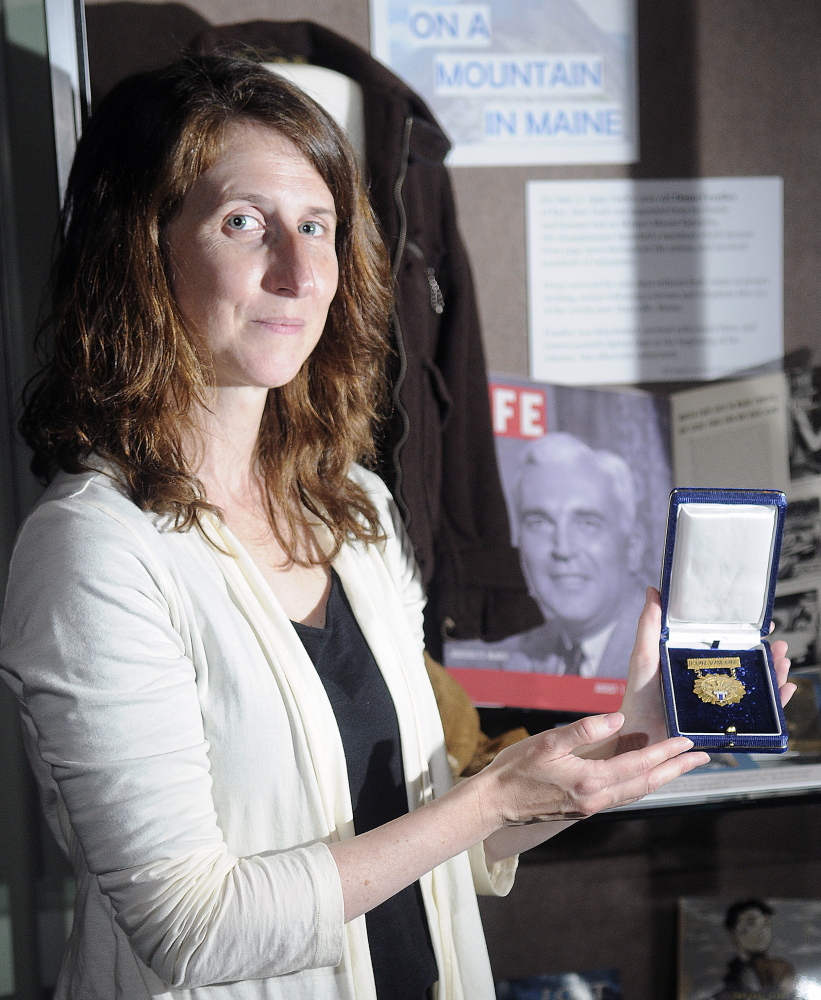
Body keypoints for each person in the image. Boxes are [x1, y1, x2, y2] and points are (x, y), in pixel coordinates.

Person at [0, 54, 791, 1000]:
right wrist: (489, 794)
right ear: (142, 248)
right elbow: (189, 930)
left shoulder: (358, 511)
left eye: (318, 226)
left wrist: (614, 751)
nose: (298, 274)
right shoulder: (95, 551)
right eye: (243, 222)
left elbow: (432, 842)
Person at [485, 433, 648, 677]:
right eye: (539, 522)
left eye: (587, 523)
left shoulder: (663, 657)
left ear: (633, 547)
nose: (563, 549)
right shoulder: (515, 660)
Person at [714, 899, 796, 1000]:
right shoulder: (721, 974)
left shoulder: (779, 969)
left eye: (766, 923)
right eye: (751, 924)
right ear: (733, 933)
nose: (762, 931)